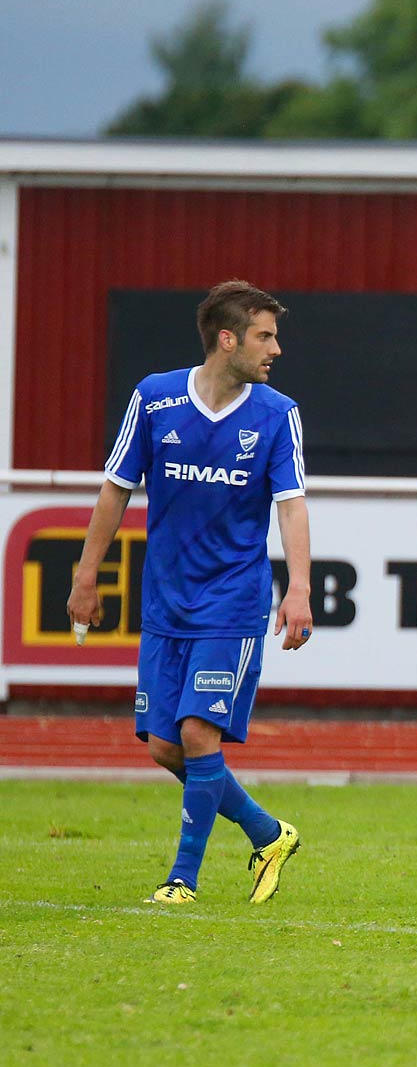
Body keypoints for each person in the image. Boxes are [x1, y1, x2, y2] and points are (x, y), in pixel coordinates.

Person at [67, 280, 313, 908]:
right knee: (164, 746)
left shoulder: (276, 413)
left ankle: (182, 879)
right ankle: (267, 832)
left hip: (234, 600)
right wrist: (85, 574)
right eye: (265, 335)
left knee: (200, 736)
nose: (276, 349)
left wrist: (299, 588)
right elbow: (115, 489)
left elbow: (291, 506)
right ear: (227, 339)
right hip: (167, 601)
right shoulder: (154, 399)